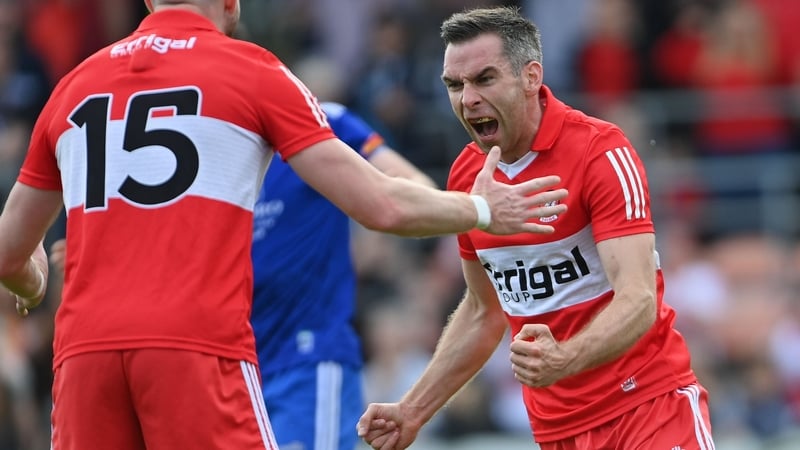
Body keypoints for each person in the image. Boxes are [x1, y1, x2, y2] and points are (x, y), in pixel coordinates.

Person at [0, 1, 568, 449]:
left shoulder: (72, 86)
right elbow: (383, 206)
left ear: (149, 1)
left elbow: (8, 254)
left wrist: (32, 282)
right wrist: (484, 208)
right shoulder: (253, 72)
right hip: (196, 347)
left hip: (84, 353)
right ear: (231, 2)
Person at [357, 6, 715, 450]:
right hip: (556, 431)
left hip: (647, 411)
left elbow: (638, 299)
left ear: (531, 77)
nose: (467, 99)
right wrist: (412, 411)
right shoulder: (467, 176)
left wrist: (566, 358)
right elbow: (483, 312)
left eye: (484, 79)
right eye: (455, 84)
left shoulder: (600, 152)